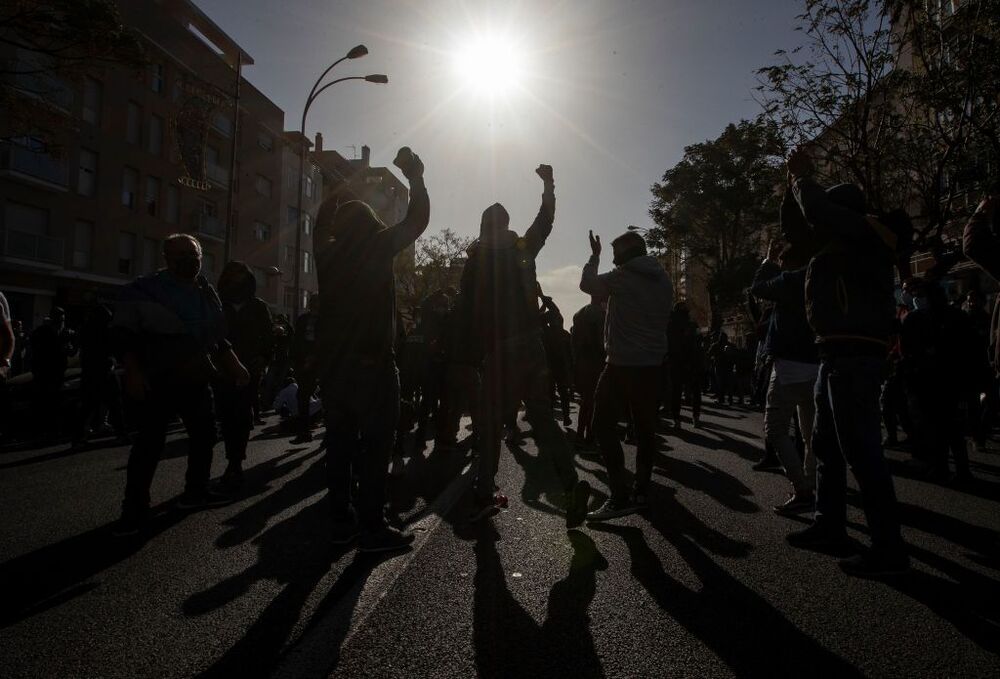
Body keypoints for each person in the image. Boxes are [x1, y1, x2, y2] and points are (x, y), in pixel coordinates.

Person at [782, 147, 911, 577]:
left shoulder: (863, 232)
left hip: (854, 356)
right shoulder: (843, 241)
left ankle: (888, 549)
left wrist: (801, 177)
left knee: (862, 452)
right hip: (833, 353)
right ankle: (830, 524)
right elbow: (798, 229)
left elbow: (816, 210)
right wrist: (790, 189)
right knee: (826, 446)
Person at [312, 146, 429, 553]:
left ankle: (340, 521)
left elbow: (319, 223)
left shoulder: (325, 255)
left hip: (335, 368)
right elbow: (417, 220)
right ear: (371, 224)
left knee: (340, 446)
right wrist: (416, 176)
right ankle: (372, 528)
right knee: (377, 446)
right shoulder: (377, 247)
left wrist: (335, 190)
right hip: (373, 366)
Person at [461, 164, 590, 526]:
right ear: (505, 224)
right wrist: (549, 183)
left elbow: (467, 311)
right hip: (532, 348)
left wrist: (472, 351)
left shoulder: (476, 261)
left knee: (489, 426)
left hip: (499, 351)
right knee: (543, 420)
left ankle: (484, 492)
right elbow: (545, 219)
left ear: (483, 226)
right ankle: (571, 484)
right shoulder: (523, 248)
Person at [110, 234, 249, 536]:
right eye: (181, 254)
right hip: (158, 378)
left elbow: (216, 336)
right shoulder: (145, 290)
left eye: (194, 253)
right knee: (149, 444)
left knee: (204, 435)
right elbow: (123, 337)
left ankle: (195, 492)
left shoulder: (205, 291)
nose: (190, 259)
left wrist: (235, 365)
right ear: (166, 258)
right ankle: (134, 509)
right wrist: (133, 373)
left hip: (196, 378)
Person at [580, 229, 674, 520]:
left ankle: (620, 495)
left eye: (615, 253)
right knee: (645, 430)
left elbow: (587, 285)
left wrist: (593, 257)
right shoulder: (663, 280)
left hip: (621, 364)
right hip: (652, 365)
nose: (614, 258)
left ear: (626, 254)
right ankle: (641, 492)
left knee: (602, 425)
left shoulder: (623, 277)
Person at [749, 239, 819, 514]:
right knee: (810, 432)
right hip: (816, 364)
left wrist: (768, 261)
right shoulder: (819, 278)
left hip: (789, 367)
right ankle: (813, 484)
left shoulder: (791, 280)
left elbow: (758, 288)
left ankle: (802, 488)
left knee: (776, 429)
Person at [215, 261, 274, 488]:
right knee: (227, 415)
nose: (237, 281)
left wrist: (263, 358)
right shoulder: (218, 304)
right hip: (223, 368)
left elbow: (268, 337)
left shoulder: (258, 306)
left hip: (250, 369)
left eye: (241, 276)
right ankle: (233, 456)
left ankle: (235, 462)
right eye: (232, 276)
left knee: (241, 414)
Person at [72, 305, 127, 448]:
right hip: (105, 371)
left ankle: (79, 438)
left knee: (87, 407)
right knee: (115, 406)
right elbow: (115, 349)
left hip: (91, 372)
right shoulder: (106, 331)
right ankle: (121, 435)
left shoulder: (85, 331)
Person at [29, 306, 76, 439]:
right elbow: (38, 349)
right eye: (59, 317)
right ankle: (40, 430)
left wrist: (69, 346)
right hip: (44, 372)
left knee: (54, 402)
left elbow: (70, 352)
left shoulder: (64, 333)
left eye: (63, 317)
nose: (62, 320)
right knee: (42, 401)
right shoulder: (42, 332)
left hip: (57, 372)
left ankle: (52, 430)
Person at [571, 294, 607, 445]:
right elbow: (602, 341)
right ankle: (589, 436)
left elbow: (574, 343)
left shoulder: (579, 314)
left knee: (586, 401)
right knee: (594, 401)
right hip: (597, 362)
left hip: (582, 363)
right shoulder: (603, 315)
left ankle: (581, 434)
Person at [539, 291, 574, 427]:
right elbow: (554, 310)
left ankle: (551, 419)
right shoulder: (563, 334)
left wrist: (542, 300)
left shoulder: (545, 333)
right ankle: (565, 417)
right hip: (559, 365)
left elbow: (546, 314)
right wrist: (543, 298)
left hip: (548, 365)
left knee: (550, 393)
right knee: (561, 392)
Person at [667, 301, 703, 429]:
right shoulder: (692, 325)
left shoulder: (670, 325)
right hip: (691, 362)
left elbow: (668, 344)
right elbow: (699, 343)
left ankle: (677, 421)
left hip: (677, 363)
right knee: (695, 391)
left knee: (676, 392)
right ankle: (696, 418)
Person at [291, 294, 320, 443]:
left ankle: (329, 435)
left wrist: (315, 357)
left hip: (321, 363)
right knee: (302, 396)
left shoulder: (327, 320)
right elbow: (296, 341)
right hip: (304, 364)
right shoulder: (303, 320)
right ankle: (304, 432)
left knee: (328, 397)